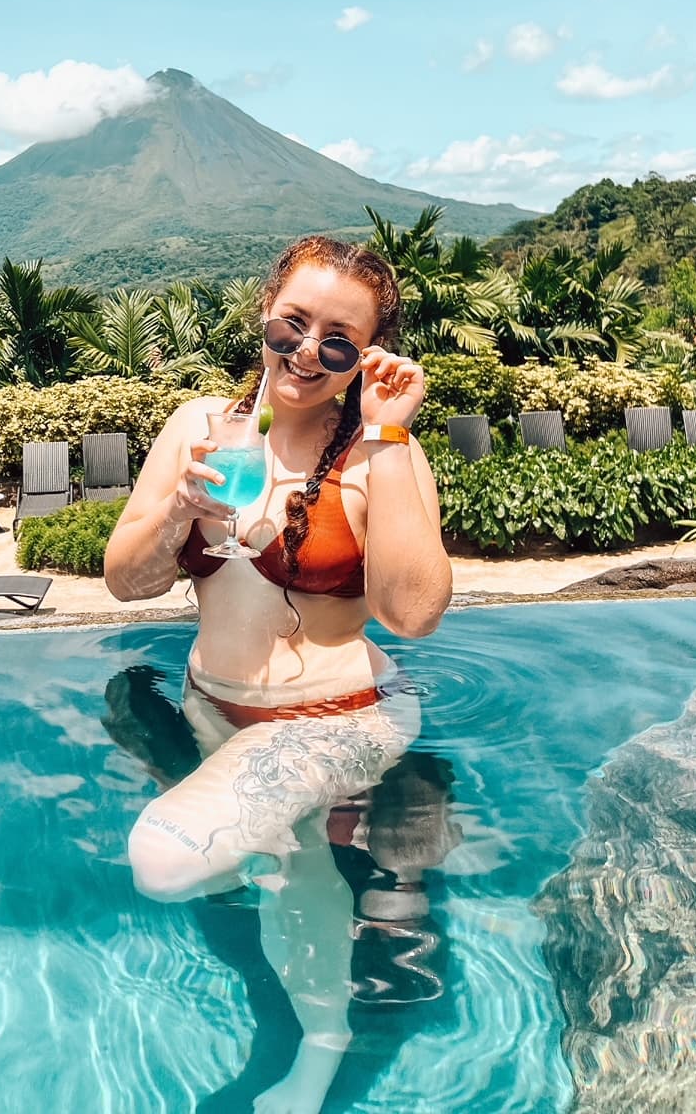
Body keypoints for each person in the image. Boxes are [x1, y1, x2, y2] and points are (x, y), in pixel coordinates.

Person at [103, 235, 452, 1114]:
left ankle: (318, 1058)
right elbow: (126, 579)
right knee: (278, 865)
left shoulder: (386, 454)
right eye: (292, 323)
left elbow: (412, 615)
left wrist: (390, 437)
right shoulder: (198, 428)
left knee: (165, 860)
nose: (307, 352)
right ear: (263, 311)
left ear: (366, 357)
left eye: (339, 340)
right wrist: (179, 508)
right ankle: (318, 1045)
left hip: (336, 713)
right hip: (212, 710)